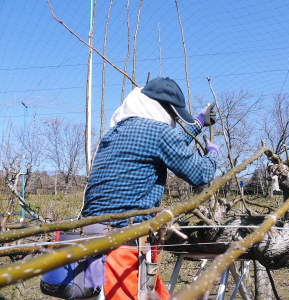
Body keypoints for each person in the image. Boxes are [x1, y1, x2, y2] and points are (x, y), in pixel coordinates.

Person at [80, 77, 218, 299]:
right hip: (122, 247)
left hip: (90, 241)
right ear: (164, 109)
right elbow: (201, 174)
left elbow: (165, 143)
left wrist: (199, 123)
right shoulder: (158, 133)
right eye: (174, 115)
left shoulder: (117, 131)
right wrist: (213, 155)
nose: (173, 121)